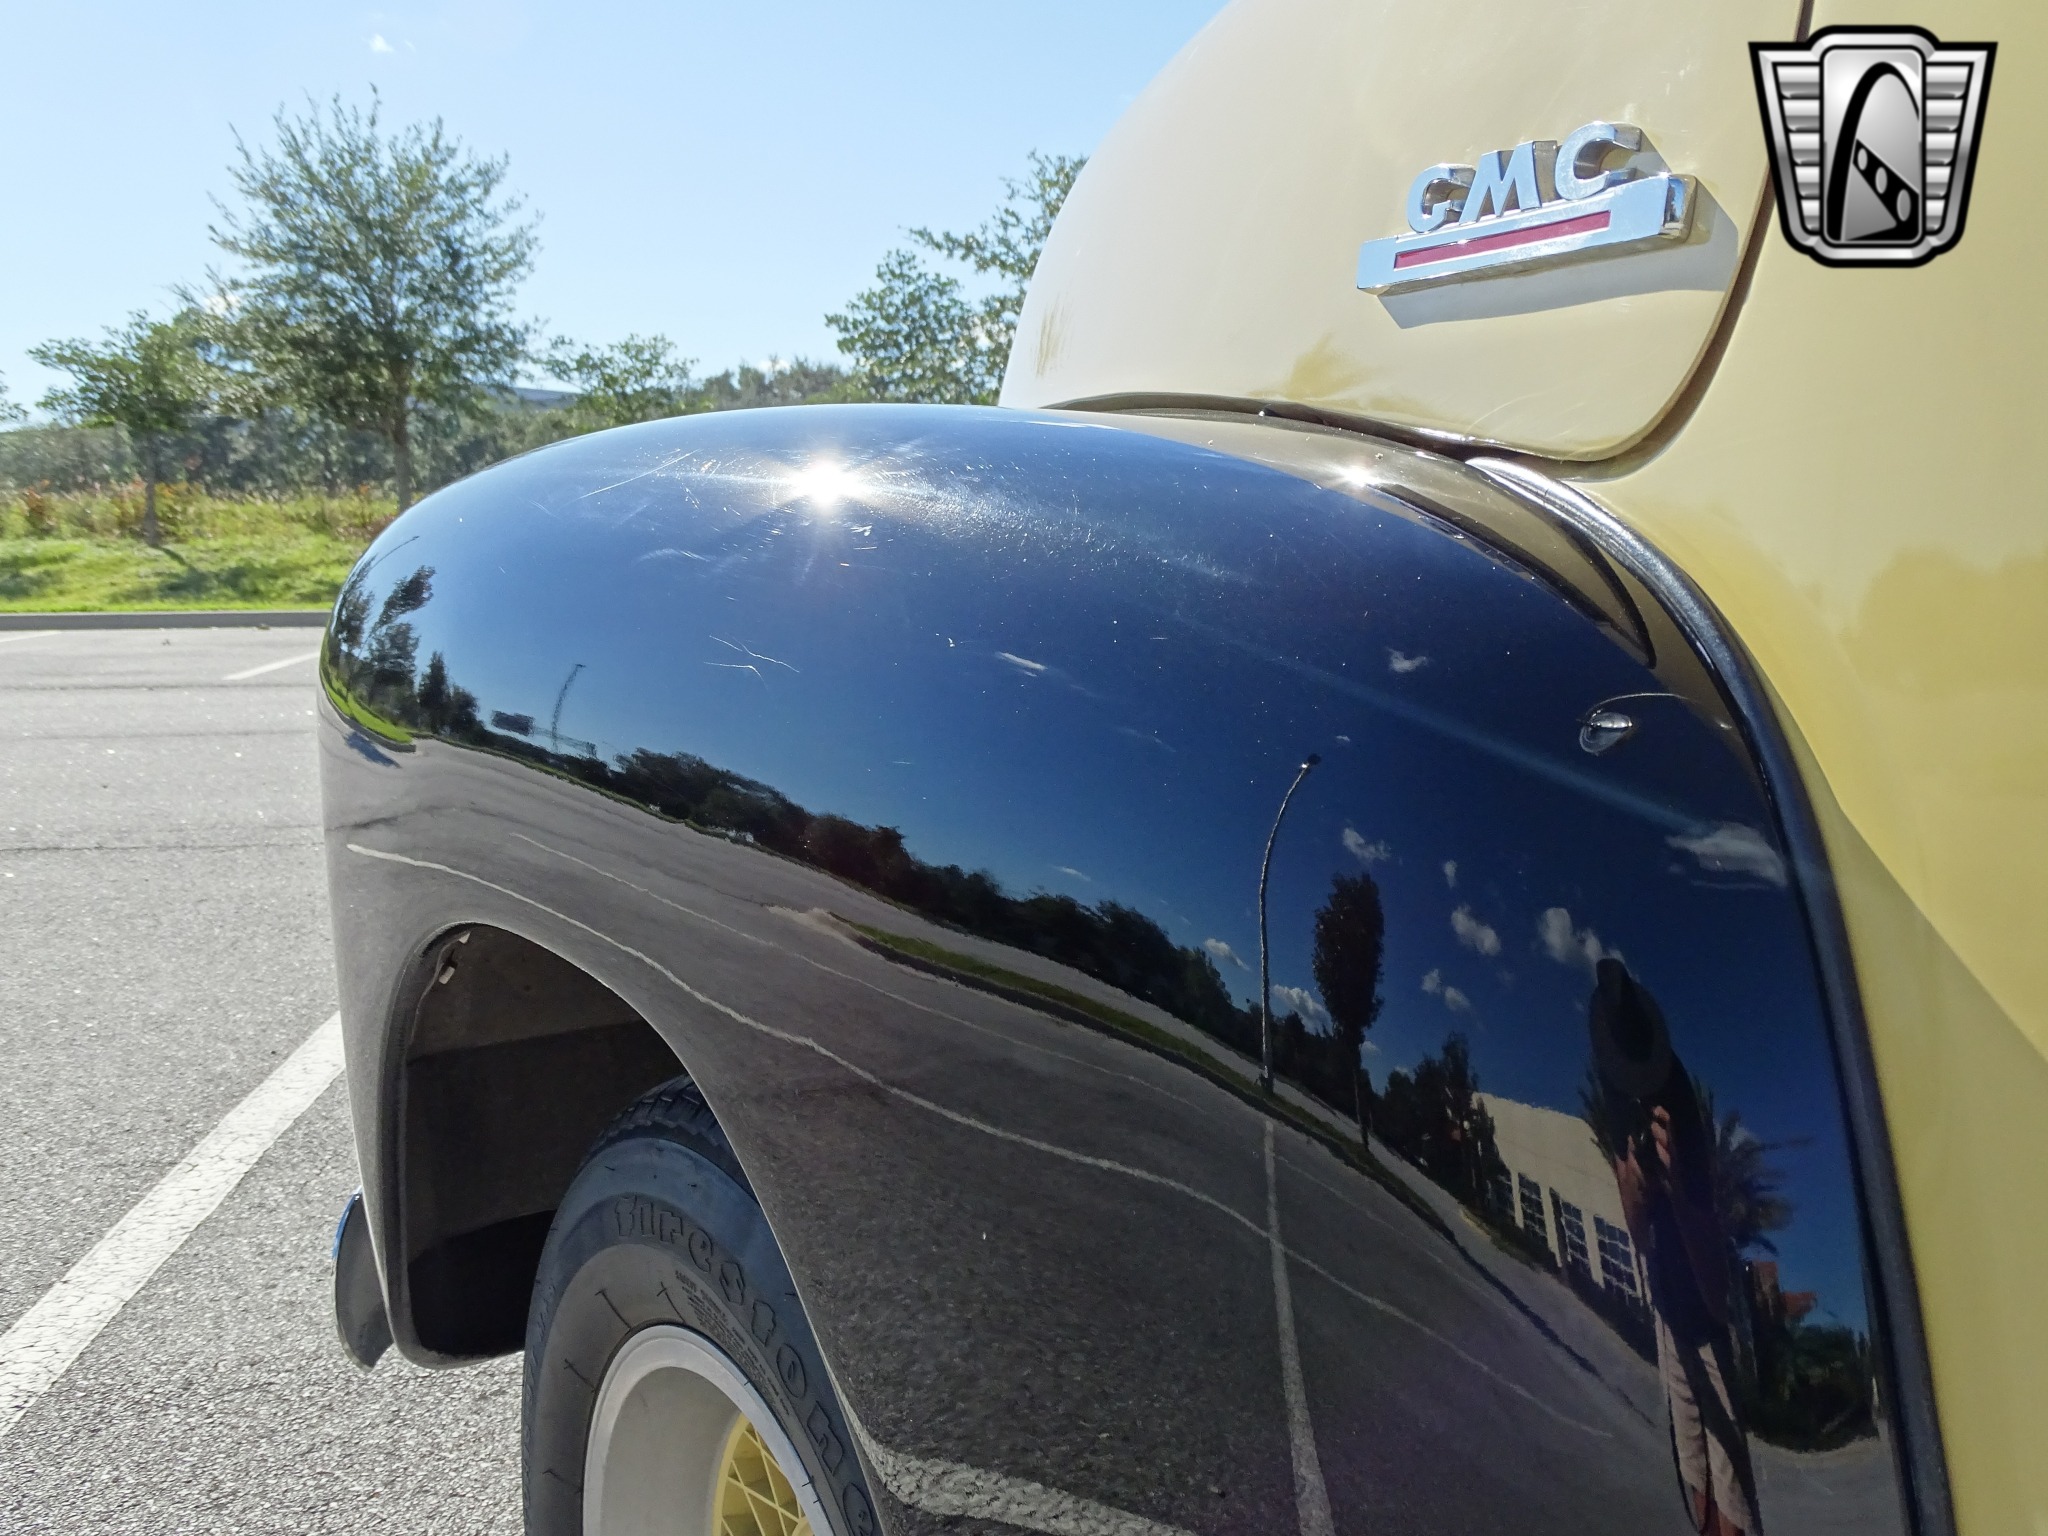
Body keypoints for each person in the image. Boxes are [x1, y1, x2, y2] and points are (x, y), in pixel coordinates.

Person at [1590, 958, 1761, 1536]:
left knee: (1731, 1489)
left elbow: (1716, 1289)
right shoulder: (1616, 1095)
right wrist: (1638, 1187)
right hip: (1667, 1305)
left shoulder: (1681, 1102)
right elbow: (1639, 1237)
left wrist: (1679, 1190)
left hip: (1707, 1318)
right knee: (1694, 1467)